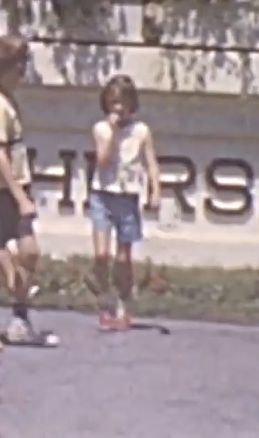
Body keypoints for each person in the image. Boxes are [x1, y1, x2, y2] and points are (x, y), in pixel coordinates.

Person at [0, 35, 56, 351]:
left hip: (15, 186)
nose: (23, 72)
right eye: (19, 65)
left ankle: (20, 318)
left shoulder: (7, 101)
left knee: (29, 251)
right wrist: (20, 196)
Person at [87, 74, 161, 330]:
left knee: (122, 258)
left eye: (122, 102)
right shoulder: (101, 129)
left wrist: (155, 191)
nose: (118, 108)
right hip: (103, 194)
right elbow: (103, 161)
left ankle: (123, 304)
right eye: (112, 102)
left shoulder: (141, 131)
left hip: (127, 196)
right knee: (101, 254)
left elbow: (151, 163)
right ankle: (104, 299)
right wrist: (112, 134)